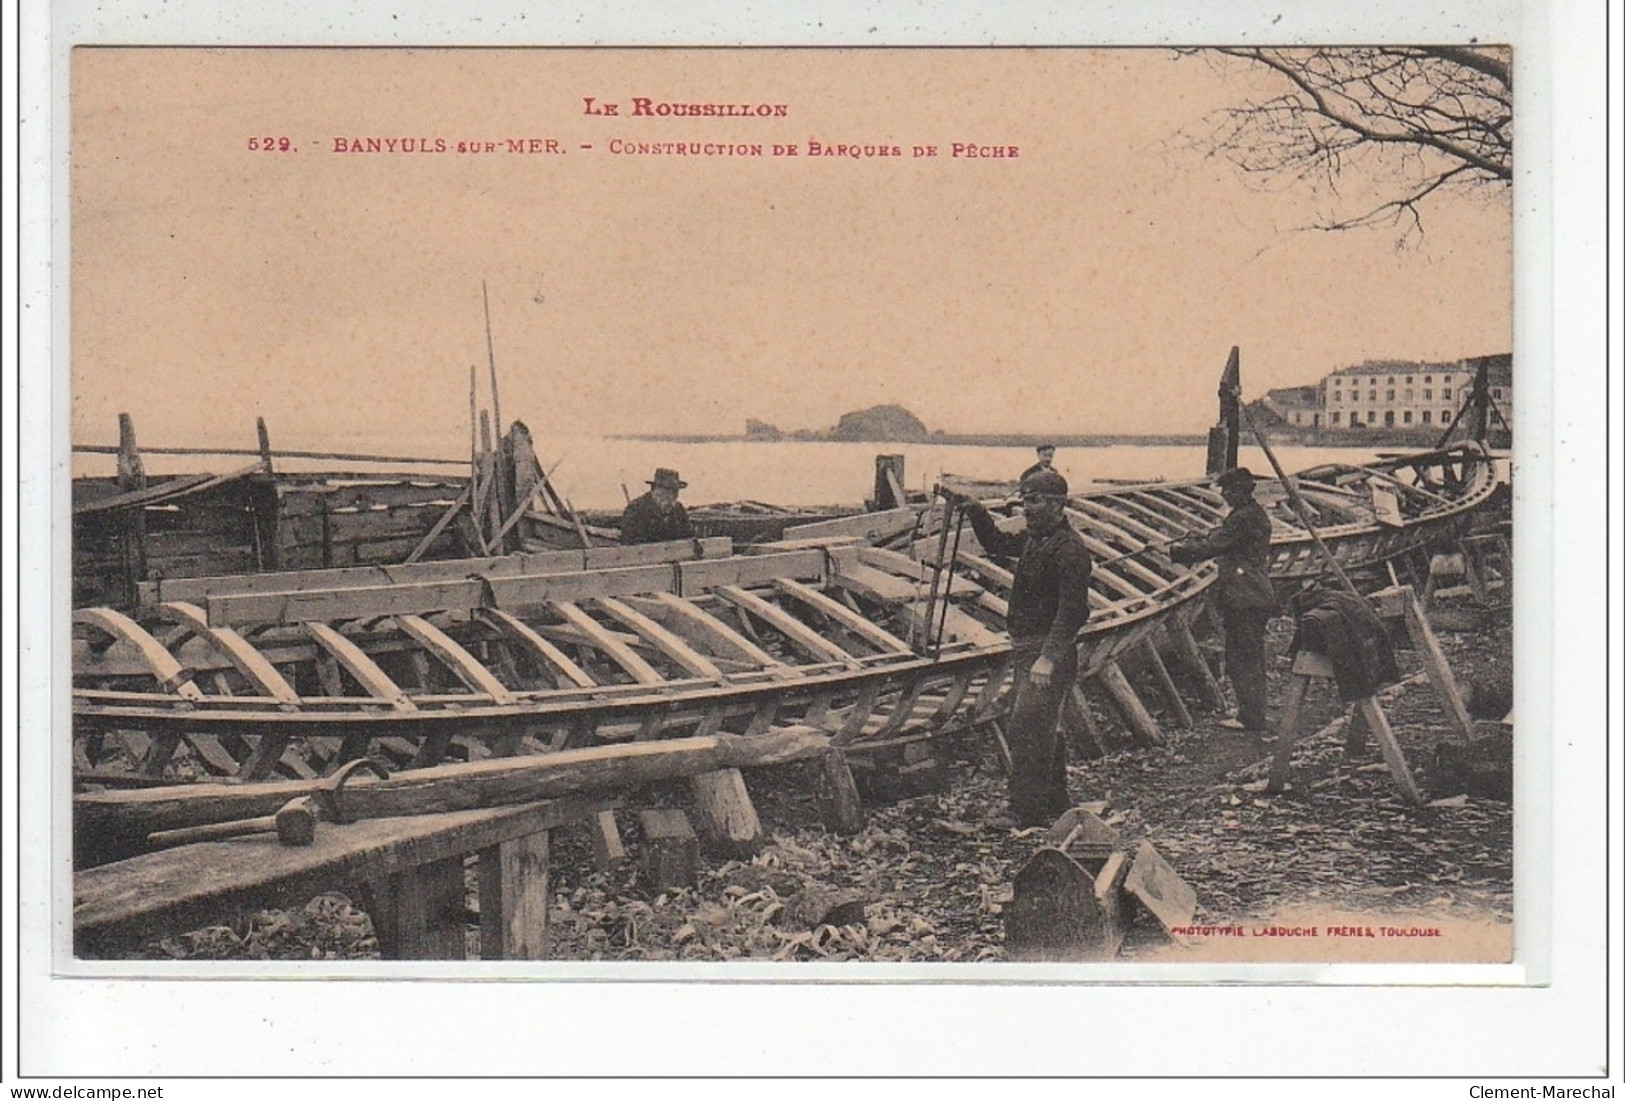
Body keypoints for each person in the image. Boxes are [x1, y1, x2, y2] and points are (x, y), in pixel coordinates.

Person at [949, 467, 1092, 827]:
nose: (1026, 509)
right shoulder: (1035, 539)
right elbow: (997, 545)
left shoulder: (1069, 549)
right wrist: (977, 511)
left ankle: (1025, 812)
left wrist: (1048, 658)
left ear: (1059, 505)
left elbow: (1073, 611)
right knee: (1042, 726)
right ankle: (1056, 801)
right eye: (1024, 500)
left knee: (1026, 727)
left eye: (1035, 501)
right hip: (1028, 649)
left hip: (1048, 653)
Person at [1170, 466, 1278, 731]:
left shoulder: (1242, 518)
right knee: (1251, 656)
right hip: (1255, 594)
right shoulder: (1251, 514)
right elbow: (1222, 538)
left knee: (1243, 658)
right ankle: (1253, 712)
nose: (1224, 495)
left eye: (1228, 491)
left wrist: (1177, 552)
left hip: (1245, 596)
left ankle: (1251, 718)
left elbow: (1213, 547)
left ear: (1241, 491)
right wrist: (1202, 537)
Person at [619, 467, 693, 545]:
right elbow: (630, 545)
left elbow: (689, 538)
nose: (670, 497)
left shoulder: (679, 510)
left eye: (675, 493)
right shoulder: (635, 510)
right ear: (654, 490)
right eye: (665, 492)